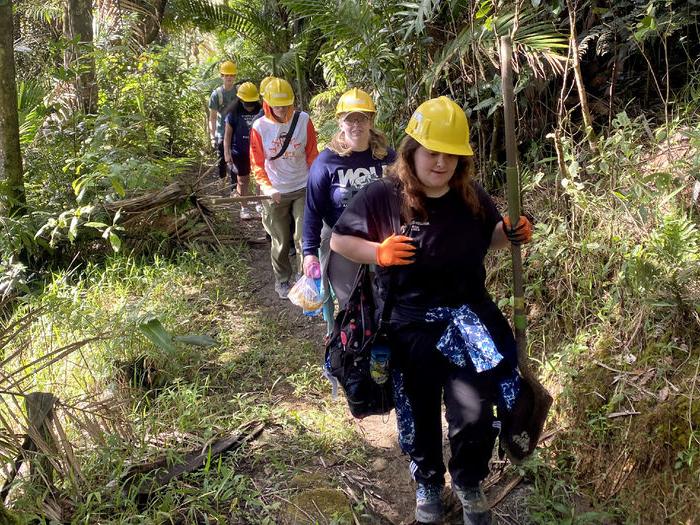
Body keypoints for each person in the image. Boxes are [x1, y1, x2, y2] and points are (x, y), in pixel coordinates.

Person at [330, 96, 533, 524]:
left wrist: (510, 232)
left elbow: (488, 239)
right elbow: (340, 241)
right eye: (432, 151)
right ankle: (427, 482)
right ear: (412, 151)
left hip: (469, 320)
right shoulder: (383, 195)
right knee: (419, 409)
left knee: (475, 410)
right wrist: (378, 252)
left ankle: (468, 480)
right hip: (410, 327)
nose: (441, 162)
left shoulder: (469, 194)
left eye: (451, 154)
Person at [302, 88, 396, 335]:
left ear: (371, 120)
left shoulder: (387, 158)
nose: (356, 125)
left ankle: (381, 357)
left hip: (381, 241)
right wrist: (309, 252)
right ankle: (349, 357)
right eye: (350, 119)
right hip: (341, 241)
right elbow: (312, 209)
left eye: (362, 118)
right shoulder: (326, 162)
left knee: (383, 300)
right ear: (340, 122)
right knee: (350, 304)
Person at [250, 77, 319, 299]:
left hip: (302, 186)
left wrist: (317, 181)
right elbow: (256, 163)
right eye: (276, 105)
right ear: (267, 103)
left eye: (285, 105)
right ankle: (282, 280)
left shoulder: (303, 120)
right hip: (275, 191)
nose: (280, 110)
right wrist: (267, 188)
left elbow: (312, 154)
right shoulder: (259, 127)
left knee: (303, 237)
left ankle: (304, 279)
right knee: (280, 240)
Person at [223, 81, 262, 219]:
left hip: (258, 152)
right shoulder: (233, 114)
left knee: (260, 179)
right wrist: (227, 154)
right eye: (247, 103)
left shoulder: (262, 112)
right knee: (242, 180)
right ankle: (244, 207)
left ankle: (259, 203)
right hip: (239, 152)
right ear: (240, 100)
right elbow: (227, 136)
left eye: (252, 103)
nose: (250, 106)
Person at [208, 61, 238, 192]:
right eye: (226, 75)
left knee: (235, 159)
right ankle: (222, 181)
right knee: (222, 160)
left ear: (234, 76)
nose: (229, 78)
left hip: (236, 132)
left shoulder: (239, 92)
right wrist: (212, 136)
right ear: (222, 76)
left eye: (231, 75)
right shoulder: (216, 95)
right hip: (221, 132)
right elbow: (213, 117)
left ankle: (234, 188)